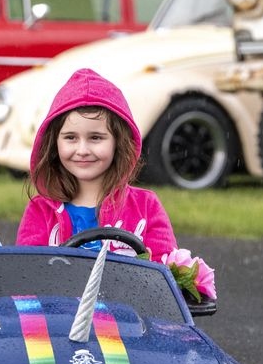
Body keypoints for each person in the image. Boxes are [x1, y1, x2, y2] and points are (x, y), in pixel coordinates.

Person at [16, 68, 177, 260]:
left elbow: (166, 277)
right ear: (54, 144)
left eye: (95, 137)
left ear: (118, 143)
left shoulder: (146, 207)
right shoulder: (40, 210)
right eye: (71, 138)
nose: (82, 150)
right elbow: (26, 275)